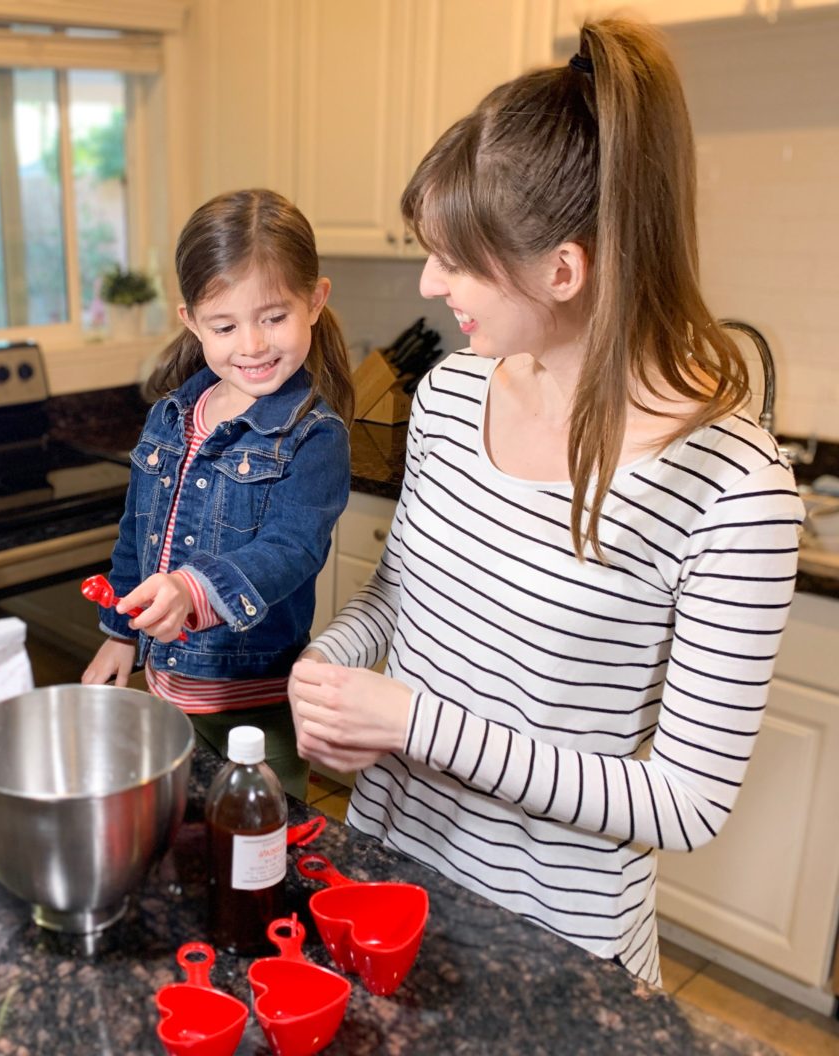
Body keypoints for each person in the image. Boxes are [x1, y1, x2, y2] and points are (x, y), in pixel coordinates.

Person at [289, 18, 804, 983]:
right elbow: (403, 597)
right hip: (385, 886)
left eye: (455, 258)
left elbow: (683, 802)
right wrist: (330, 660)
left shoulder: (734, 493)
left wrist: (411, 725)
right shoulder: (448, 396)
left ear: (561, 270)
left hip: (553, 947)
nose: (428, 282)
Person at [82, 188, 354, 800]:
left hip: (254, 705)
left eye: (274, 317)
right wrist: (120, 631)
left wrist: (193, 589)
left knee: (265, 853)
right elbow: (135, 536)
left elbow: (291, 549)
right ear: (190, 321)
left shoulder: (315, 436)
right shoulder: (171, 416)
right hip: (164, 692)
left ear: (315, 302)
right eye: (225, 326)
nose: (253, 345)